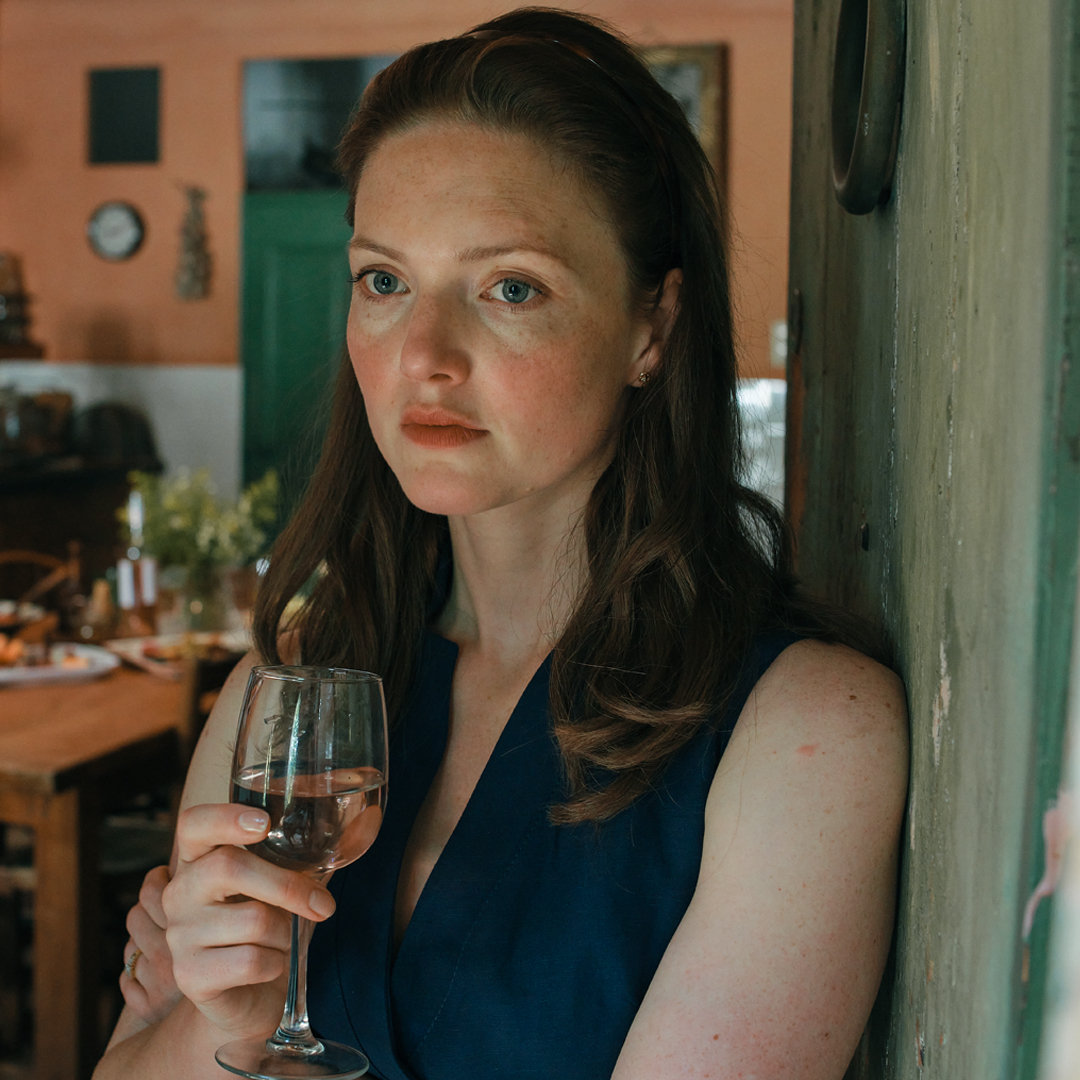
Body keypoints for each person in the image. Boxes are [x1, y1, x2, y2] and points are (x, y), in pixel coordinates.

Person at [94, 8, 908, 1079]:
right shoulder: (283, 700)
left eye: (510, 287)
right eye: (385, 281)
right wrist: (224, 1027)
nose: (423, 355)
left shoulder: (806, 731)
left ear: (652, 328)